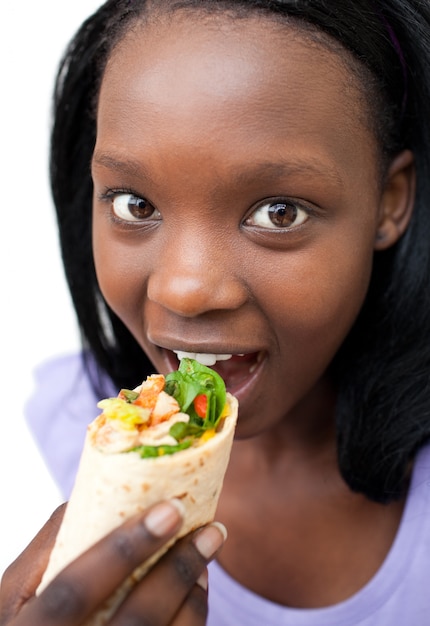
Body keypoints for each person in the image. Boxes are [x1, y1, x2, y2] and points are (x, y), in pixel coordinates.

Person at [2, 0, 430, 623]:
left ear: (390, 201)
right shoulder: (60, 437)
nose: (185, 291)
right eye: (134, 205)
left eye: (279, 212)